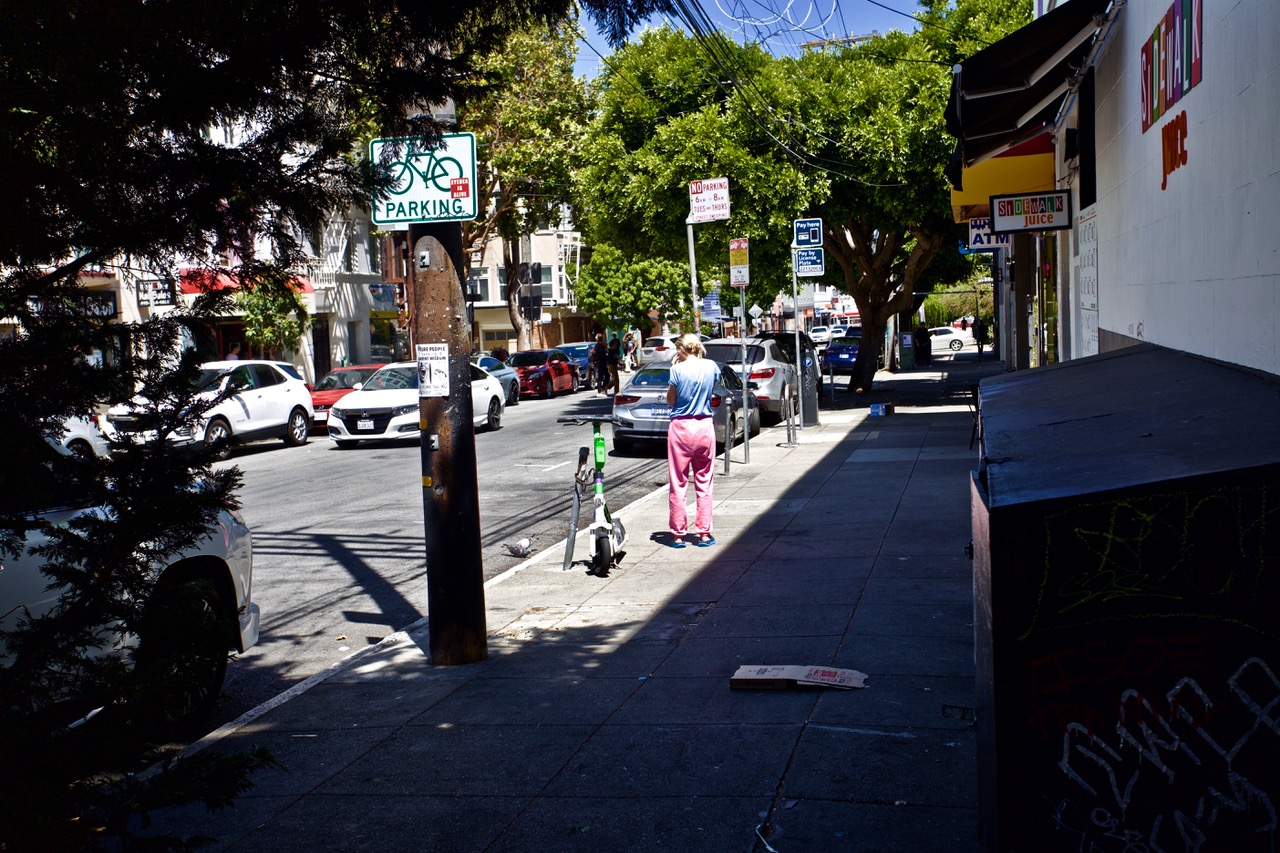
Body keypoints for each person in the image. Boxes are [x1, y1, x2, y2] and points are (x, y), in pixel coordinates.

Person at [665, 333, 719, 548]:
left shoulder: (676, 370)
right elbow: (711, 390)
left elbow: (671, 401)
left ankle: (679, 534)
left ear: (682, 350)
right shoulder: (711, 366)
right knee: (704, 481)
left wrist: (674, 368)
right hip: (704, 426)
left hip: (680, 427)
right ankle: (704, 533)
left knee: (678, 482)